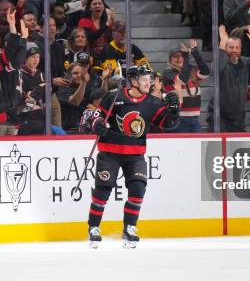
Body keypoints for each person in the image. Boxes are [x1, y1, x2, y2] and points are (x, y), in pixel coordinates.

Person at [87, 66, 180, 248]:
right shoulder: (115, 97)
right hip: (110, 152)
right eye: (144, 79)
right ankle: (94, 227)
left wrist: (174, 110)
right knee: (103, 190)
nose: (149, 82)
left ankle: (129, 227)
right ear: (134, 81)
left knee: (138, 189)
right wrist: (97, 124)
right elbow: (96, 117)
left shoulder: (154, 103)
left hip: (135, 154)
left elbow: (168, 124)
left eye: (149, 79)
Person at [207, 25, 250, 132]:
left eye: (237, 48)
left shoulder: (245, 62)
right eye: (231, 47)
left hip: (238, 118)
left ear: (241, 49)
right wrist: (222, 43)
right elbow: (216, 71)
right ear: (226, 48)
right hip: (219, 117)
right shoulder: (222, 62)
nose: (234, 50)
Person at [163, 39, 210, 132]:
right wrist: (186, 58)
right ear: (170, 60)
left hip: (195, 119)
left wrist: (195, 53)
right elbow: (182, 80)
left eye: (182, 56)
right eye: (176, 56)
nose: (180, 59)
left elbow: (205, 72)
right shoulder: (168, 73)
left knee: (198, 145)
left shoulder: (191, 71)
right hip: (178, 120)